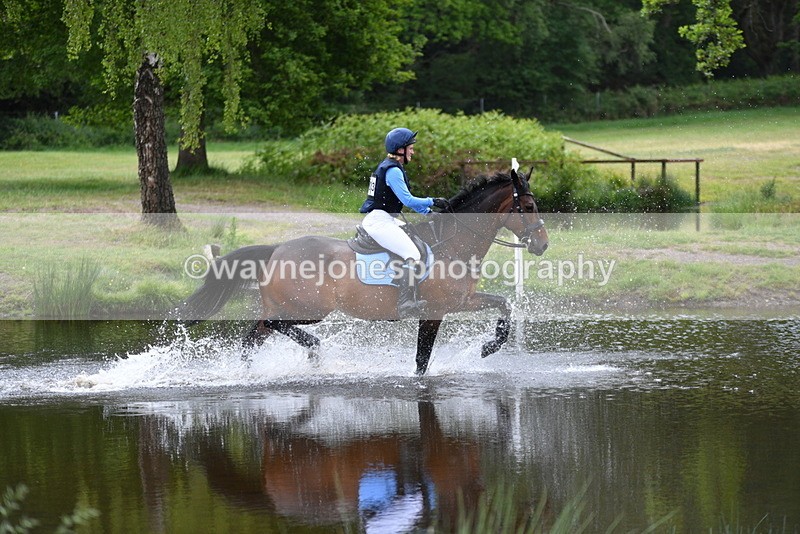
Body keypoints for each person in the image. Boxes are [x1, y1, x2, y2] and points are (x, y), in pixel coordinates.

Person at [359, 127, 450, 319]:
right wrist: (432, 201)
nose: (413, 152)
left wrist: (429, 213)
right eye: (411, 148)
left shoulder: (391, 166)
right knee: (412, 253)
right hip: (380, 222)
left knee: (417, 240)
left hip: (386, 218)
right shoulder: (392, 170)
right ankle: (405, 303)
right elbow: (408, 200)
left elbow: (405, 201)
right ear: (401, 149)